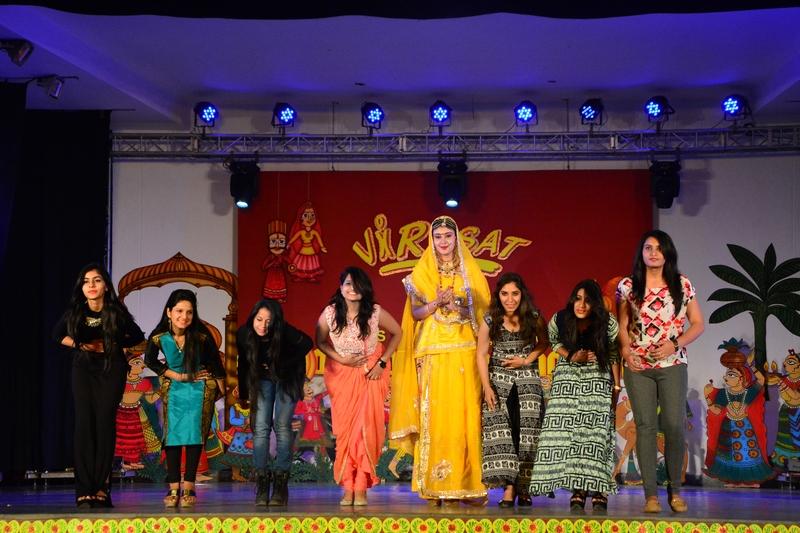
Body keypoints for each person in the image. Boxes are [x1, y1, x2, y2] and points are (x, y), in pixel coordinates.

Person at [389, 215, 491, 505]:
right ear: (431, 240)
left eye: (448, 235)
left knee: (465, 413)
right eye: (438, 237)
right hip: (432, 350)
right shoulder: (423, 272)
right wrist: (436, 303)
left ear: (456, 238)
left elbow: (484, 314)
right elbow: (416, 313)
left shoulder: (470, 273)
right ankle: (434, 485)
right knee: (434, 415)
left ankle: (467, 485)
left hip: (465, 350)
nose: (443, 241)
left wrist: (459, 305)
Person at [617, 230, 704, 514]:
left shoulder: (682, 284)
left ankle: (675, 492)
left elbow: (698, 324)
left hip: (672, 364)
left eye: (659, 248)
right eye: (648, 248)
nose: (653, 253)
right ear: (641, 253)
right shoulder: (628, 286)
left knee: (674, 425)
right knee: (645, 427)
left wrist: (674, 345)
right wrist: (626, 352)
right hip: (638, 366)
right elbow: (622, 325)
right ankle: (651, 496)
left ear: (668, 253)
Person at [53, 263, 145, 508]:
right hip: (84, 369)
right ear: (81, 287)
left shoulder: (116, 311)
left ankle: (102, 488)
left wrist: (113, 344)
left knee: (104, 423)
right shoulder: (76, 311)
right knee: (84, 423)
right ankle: (84, 489)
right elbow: (57, 335)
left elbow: (137, 336)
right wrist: (80, 345)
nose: (91, 285)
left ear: (105, 285)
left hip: (111, 369)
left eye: (96, 280)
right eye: (86, 281)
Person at [529, 279, 620, 511]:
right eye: (578, 299)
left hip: (596, 380)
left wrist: (617, 386)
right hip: (566, 381)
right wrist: (570, 355)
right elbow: (553, 341)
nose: (581, 305)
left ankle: (599, 490)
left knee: (595, 437)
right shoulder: (560, 319)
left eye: (587, 300)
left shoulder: (607, 323)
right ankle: (578, 490)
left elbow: (613, 354)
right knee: (568, 438)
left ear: (595, 303)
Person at [315, 266, 402, 506]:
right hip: (342, 376)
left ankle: (361, 485)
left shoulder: (374, 312)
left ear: (365, 289)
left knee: (365, 431)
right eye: (348, 284)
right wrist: (341, 359)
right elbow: (320, 340)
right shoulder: (331, 313)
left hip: (371, 374)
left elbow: (397, 333)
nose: (352, 289)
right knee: (346, 433)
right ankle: (348, 486)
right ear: (341, 287)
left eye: (357, 285)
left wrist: (382, 363)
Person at [144, 289, 225, 508]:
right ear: (169, 312)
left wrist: (220, 389)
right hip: (173, 388)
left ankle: (189, 486)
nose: (184, 316)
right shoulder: (159, 336)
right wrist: (176, 375)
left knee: (193, 437)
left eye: (189, 312)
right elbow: (150, 360)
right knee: (172, 437)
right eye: (179, 311)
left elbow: (215, 363)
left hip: (198, 389)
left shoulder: (201, 335)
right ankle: (173, 488)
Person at [476, 273, 548, 507]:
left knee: (527, 434)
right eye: (505, 294)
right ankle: (509, 487)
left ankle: (523, 486)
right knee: (505, 435)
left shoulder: (533, 317)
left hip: (528, 383)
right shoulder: (490, 320)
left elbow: (544, 343)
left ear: (522, 295)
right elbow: (480, 354)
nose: (510, 299)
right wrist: (486, 387)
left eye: (515, 294)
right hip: (499, 383)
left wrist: (526, 360)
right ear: (498, 295)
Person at [236, 298, 312, 506]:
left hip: (287, 377)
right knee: (261, 427)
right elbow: (243, 364)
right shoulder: (244, 334)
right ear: (252, 318)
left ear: (276, 322)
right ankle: (262, 482)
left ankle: (280, 483)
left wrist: (280, 364)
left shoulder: (284, 331)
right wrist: (244, 394)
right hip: (262, 379)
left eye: (268, 321)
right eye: (259, 319)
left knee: (282, 425)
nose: (263, 325)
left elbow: (307, 343)